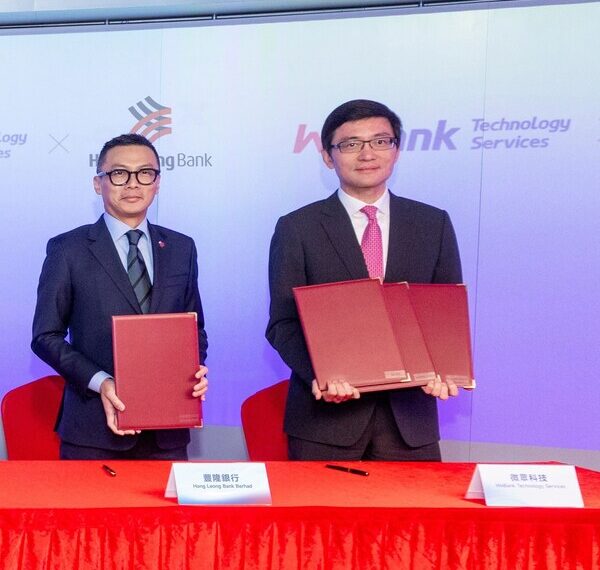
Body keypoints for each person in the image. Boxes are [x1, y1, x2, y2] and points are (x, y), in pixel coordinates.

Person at [266, 99, 463, 461]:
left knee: (415, 520)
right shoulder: (297, 227)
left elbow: (444, 316)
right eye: (351, 144)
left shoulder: (432, 224)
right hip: (324, 425)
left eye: (380, 141)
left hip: (411, 425)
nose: (367, 153)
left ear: (397, 150)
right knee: (321, 521)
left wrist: (445, 368)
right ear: (328, 156)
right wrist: (320, 376)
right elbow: (282, 324)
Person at [31, 133, 208, 460]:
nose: (133, 184)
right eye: (119, 174)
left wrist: (194, 368)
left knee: (168, 515)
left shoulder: (182, 248)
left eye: (145, 173)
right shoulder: (68, 250)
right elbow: (46, 336)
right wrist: (102, 382)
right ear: (98, 183)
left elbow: (194, 328)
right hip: (93, 433)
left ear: (157, 182)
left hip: (166, 436)